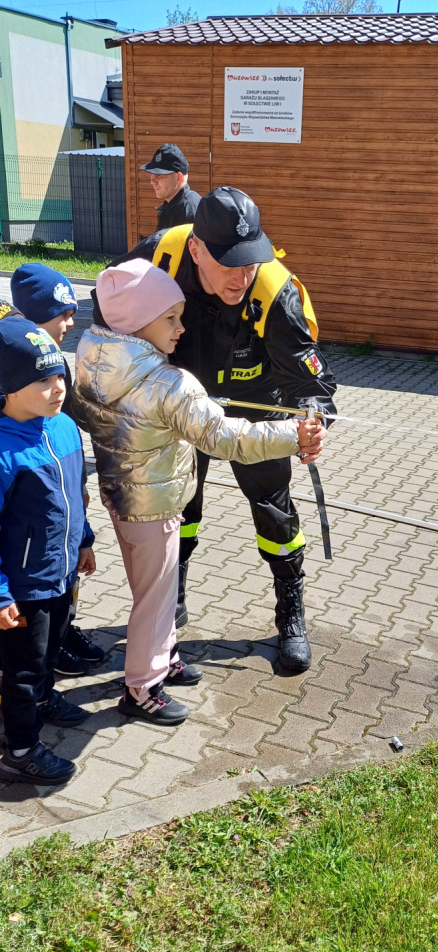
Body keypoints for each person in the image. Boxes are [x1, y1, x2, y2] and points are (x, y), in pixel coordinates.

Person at [74, 260, 326, 725]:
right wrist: (293, 435)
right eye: (171, 318)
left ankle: (165, 654)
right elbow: (227, 438)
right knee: (154, 601)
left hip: (122, 499)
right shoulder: (171, 384)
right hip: (156, 505)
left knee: (153, 589)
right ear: (137, 321)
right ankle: (142, 688)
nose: (182, 328)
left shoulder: (92, 358)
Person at [101, 186, 338, 673]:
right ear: (196, 249)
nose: (242, 275)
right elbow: (109, 305)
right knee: (180, 504)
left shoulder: (275, 289)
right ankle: (174, 596)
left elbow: (311, 380)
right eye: (229, 262)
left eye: (250, 260)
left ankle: (290, 612)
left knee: (274, 511)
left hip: (257, 409)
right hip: (180, 406)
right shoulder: (162, 254)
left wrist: (313, 419)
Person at [0, 319, 95, 785]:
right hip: (24, 587)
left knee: (51, 648)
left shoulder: (65, 428)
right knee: (21, 668)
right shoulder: (4, 449)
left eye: (60, 375)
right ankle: (20, 749)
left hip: (62, 571)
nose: (59, 388)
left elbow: (76, 495)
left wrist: (86, 540)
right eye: (43, 380)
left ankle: (43, 698)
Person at [10, 263, 106, 678]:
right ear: (33, 316)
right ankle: (41, 650)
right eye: (62, 314)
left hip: (62, 477)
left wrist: (78, 482)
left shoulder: (54, 358)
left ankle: (63, 632)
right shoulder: (16, 362)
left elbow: (65, 423)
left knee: (66, 573)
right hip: (29, 485)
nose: (70, 323)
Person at [141, 143, 201, 231]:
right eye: (152, 174)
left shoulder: (187, 210)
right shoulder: (173, 206)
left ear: (178, 177)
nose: (152, 181)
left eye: (160, 175)